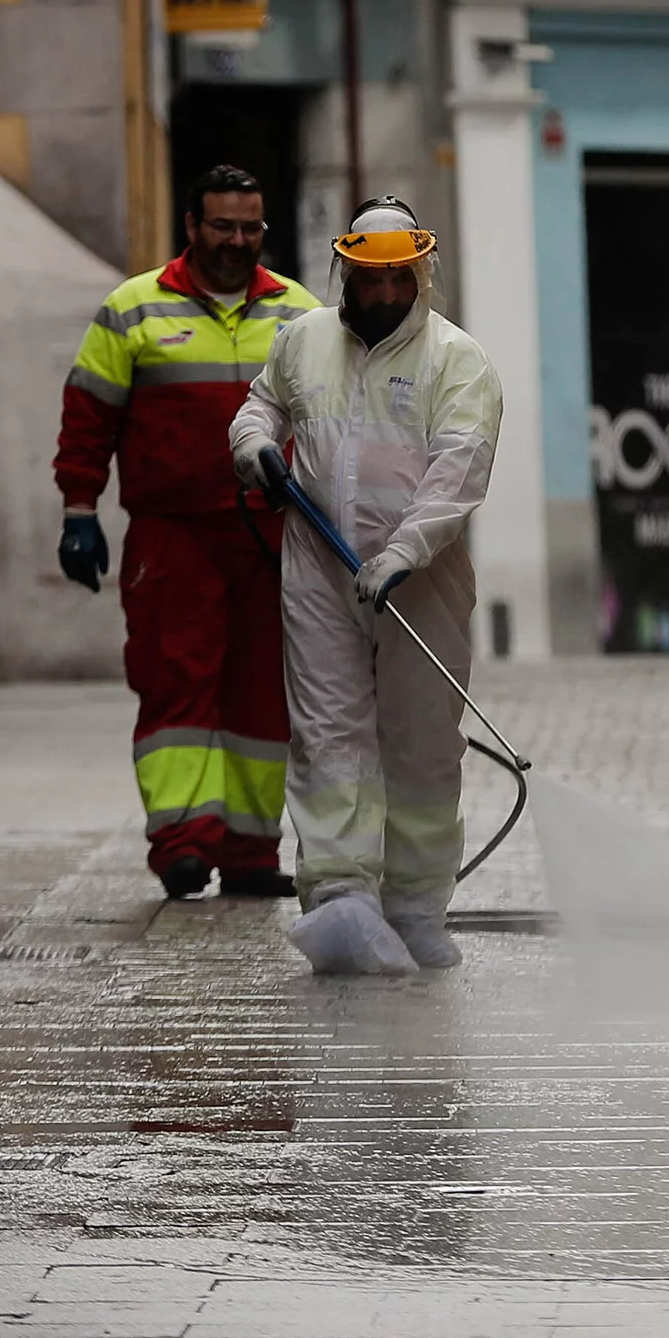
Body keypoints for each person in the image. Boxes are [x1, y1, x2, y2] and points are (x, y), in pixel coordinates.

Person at [229, 197, 503, 974]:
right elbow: (261, 405)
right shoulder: (302, 341)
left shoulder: (458, 361)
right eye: (369, 278)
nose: (382, 293)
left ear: (420, 275)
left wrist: (405, 550)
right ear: (344, 272)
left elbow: (460, 468)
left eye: (397, 278)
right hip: (319, 570)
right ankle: (341, 897)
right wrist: (253, 445)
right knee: (328, 736)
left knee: (421, 744)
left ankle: (415, 907)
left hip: (421, 583)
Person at [54, 166, 320, 901]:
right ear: (192, 226)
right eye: (223, 226)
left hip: (272, 539)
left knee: (263, 698)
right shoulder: (133, 310)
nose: (237, 241)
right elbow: (89, 416)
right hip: (174, 540)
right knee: (177, 688)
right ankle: (182, 843)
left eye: (250, 227)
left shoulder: (300, 313)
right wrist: (79, 509)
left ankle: (251, 850)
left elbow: (333, 422)